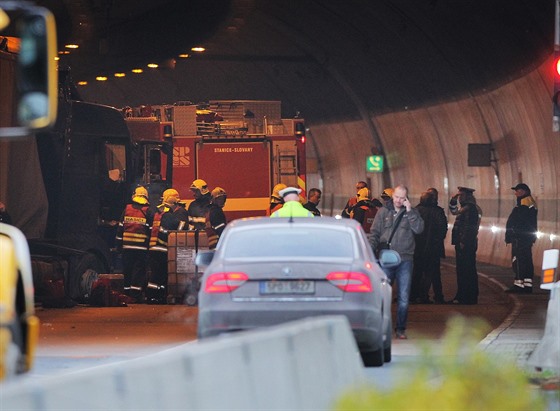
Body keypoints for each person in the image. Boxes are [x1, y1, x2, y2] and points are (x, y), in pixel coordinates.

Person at [369, 185, 424, 339]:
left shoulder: (412, 213)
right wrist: (370, 251)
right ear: (393, 196)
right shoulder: (383, 212)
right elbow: (374, 233)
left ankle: (400, 328)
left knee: (404, 297)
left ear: (406, 198)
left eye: (402, 198)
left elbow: (419, 229)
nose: (399, 200)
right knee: (382, 295)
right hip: (386, 259)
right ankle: (381, 327)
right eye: (397, 197)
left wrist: (410, 211)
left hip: (405, 259)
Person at [146, 188, 189, 304]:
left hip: (153, 248)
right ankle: (154, 297)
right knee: (159, 275)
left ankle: (155, 297)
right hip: (162, 249)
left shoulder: (157, 215)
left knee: (156, 275)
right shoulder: (169, 216)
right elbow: (180, 228)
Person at [115, 186, 153, 302]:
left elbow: (120, 229)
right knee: (138, 272)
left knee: (127, 270)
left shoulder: (127, 209)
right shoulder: (148, 211)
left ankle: (126, 293)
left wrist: (118, 246)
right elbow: (151, 230)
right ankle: (135, 295)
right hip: (141, 248)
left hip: (127, 247)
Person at [410, 189, 448, 304]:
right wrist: (437, 240)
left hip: (417, 247)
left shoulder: (416, 211)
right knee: (433, 273)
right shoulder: (438, 211)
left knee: (417, 272)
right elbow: (443, 229)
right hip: (433, 248)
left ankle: (414, 296)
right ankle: (437, 296)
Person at [448, 186, 482, 305]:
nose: (459, 198)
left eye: (461, 195)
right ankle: (464, 295)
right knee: (464, 270)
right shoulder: (466, 208)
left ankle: (466, 296)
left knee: (466, 270)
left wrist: (463, 241)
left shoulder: (471, 209)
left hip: (466, 244)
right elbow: (453, 211)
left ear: (468, 196)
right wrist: (453, 200)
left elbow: (469, 227)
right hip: (464, 243)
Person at [505, 183, 538, 293]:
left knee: (518, 260)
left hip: (520, 236)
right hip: (527, 236)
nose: (515, 193)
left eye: (517, 191)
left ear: (523, 191)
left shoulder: (524, 202)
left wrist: (513, 232)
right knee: (526, 259)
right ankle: (527, 285)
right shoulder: (529, 201)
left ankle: (519, 284)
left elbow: (519, 220)